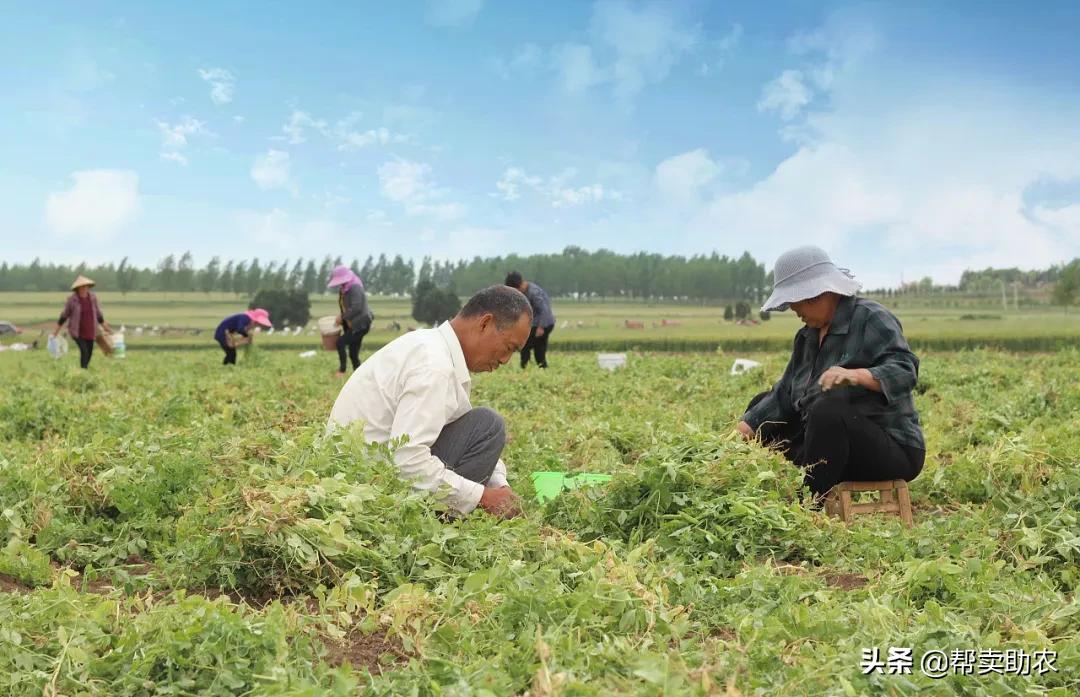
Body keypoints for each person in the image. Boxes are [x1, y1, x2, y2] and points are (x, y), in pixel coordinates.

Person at [736, 245, 925, 504]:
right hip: (828, 450)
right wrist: (745, 428)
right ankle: (771, 495)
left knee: (828, 410)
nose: (793, 309)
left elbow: (905, 371)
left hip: (889, 448)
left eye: (795, 302)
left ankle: (806, 508)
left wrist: (857, 375)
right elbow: (784, 395)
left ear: (815, 294)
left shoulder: (871, 318)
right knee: (762, 407)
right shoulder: (806, 337)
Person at [327, 285, 533, 518]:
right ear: (484, 323)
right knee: (488, 426)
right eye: (509, 348)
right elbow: (407, 460)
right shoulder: (435, 366)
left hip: (353, 478)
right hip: (369, 490)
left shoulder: (430, 346)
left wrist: (500, 486)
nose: (506, 360)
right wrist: (483, 497)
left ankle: (453, 510)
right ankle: (441, 523)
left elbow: (447, 428)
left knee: (481, 427)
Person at [53, 275, 111, 369]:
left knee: (90, 352)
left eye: (86, 286)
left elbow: (98, 315)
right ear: (78, 288)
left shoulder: (92, 298)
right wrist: (55, 331)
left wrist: (105, 327)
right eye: (82, 287)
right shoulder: (72, 300)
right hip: (77, 332)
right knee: (84, 350)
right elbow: (64, 316)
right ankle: (83, 371)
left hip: (91, 330)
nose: (84, 288)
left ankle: (84, 369)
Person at [327, 265, 374, 376]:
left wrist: (342, 317)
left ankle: (342, 371)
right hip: (353, 323)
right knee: (353, 353)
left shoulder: (355, 287)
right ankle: (360, 375)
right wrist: (343, 319)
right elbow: (345, 306)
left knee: (340, 343)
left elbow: (357, 307)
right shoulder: (344, 288)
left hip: (361, 323)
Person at [504, 271, 555, 368]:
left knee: (525, 345)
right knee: (538, 351)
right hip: (536, 324)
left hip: (543, 324)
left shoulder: (534, 292)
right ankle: (539, 368)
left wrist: (541, 327)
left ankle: (525, 368)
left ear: (519, 285)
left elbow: (544, 310)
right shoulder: (525, 291)